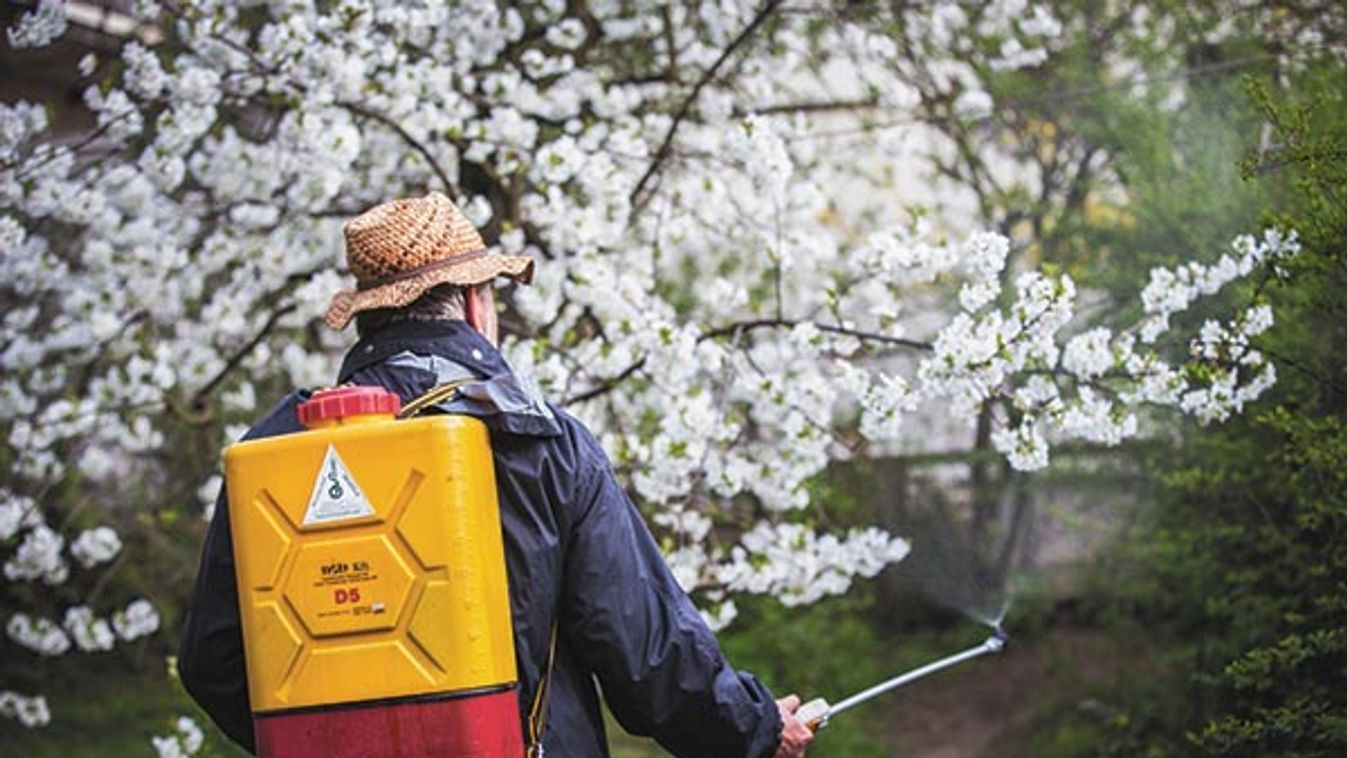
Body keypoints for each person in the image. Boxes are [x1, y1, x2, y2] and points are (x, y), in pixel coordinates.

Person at [178, 191, 815, 758]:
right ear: (478, 306)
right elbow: (644, 647)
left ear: (369, 318)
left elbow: (214, 662)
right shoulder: (541, 440)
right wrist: (752, 731)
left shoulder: (278, 450)